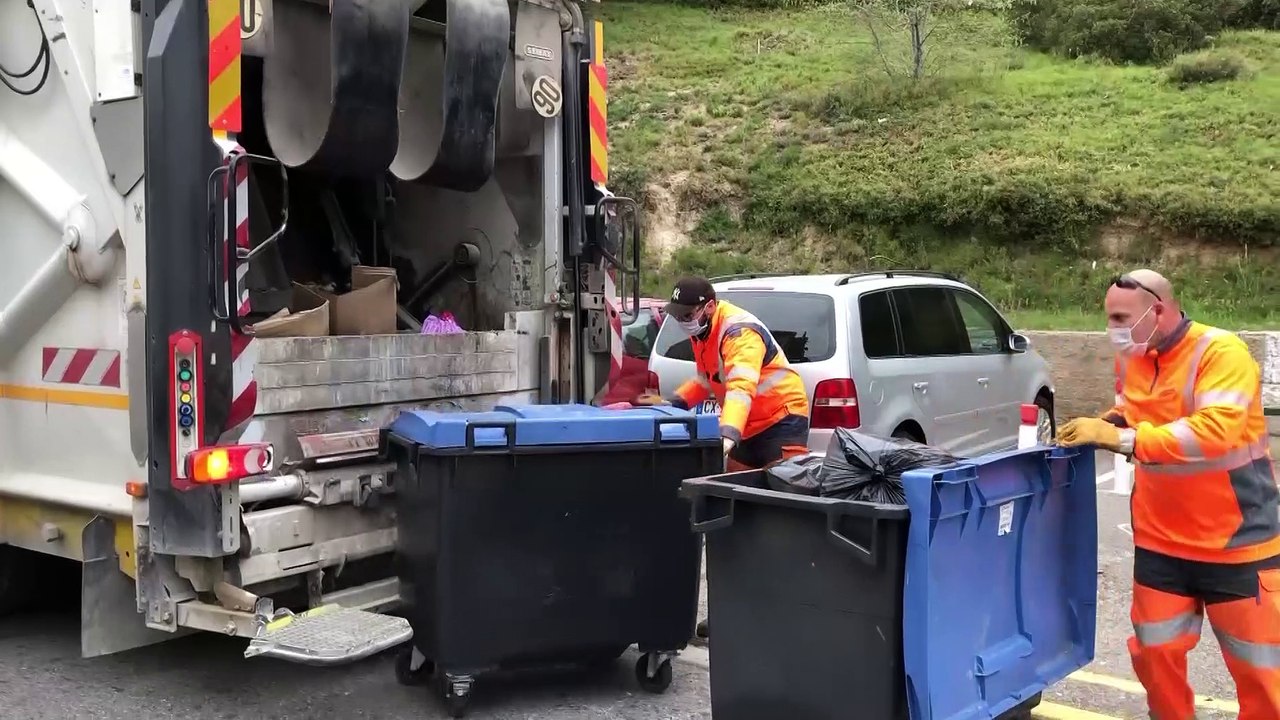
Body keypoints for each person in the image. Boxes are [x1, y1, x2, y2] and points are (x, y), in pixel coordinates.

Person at [1055, 269, 1280, 720]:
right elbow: (1137, 413)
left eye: (1121, 318)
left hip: (1237, 544)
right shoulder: (1134, 357)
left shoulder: (1221, 353)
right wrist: (1110, 423)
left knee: (1261, 673)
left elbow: (1215, 432)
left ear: (1157, 309)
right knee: (1155, 658)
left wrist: (1123, 439)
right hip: (1161, 542)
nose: (1114, 329)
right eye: (1109, 319)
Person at [637, 276, 812, 642]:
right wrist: (674, 405)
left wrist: (727, 436)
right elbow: (706, 379)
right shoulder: (704, 334)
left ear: (710, 307)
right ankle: (731, 615)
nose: (683, 319)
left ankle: (786, 617)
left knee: (783, 522)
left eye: (689, 313)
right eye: (679, 314)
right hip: (747, 428)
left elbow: (741, 386)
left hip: (781, 422)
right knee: (734, 523)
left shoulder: (738, 332)